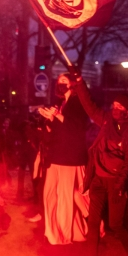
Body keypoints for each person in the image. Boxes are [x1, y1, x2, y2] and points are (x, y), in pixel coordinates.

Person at [71, 73, 128, 256]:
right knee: (93, 222)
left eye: (119, 107)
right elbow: (90, 106)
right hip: (98, 179)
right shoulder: (106, 121)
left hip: (117, 183)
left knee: (116, 225)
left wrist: (121, 185)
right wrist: (79, 84)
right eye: (113, 105)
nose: (115, 109)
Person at [37, 73, 90, 244]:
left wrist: (59, 117)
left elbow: (79, 128)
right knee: (50, 195)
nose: (61, 83)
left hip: (70, 158)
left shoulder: (79, 102)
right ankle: (55, 231)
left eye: (64, 81)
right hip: (56, 156)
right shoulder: (62, 103)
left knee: (66, 198)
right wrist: (50, 119)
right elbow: (59, 131)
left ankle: (66, 234)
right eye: (59, 80)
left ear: (73, 84)